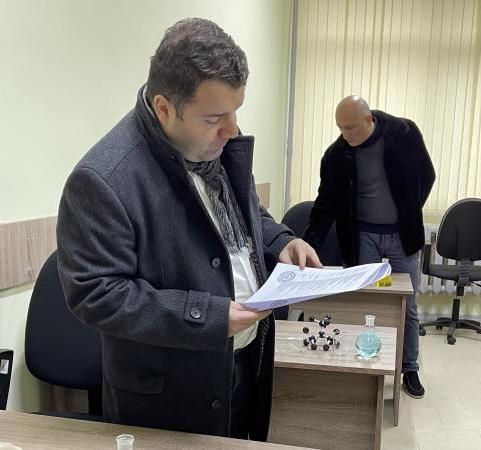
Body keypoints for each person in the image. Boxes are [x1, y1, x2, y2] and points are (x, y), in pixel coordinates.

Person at [56, 18, 320, 440]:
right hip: (169, 395)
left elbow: (247, 213)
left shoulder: (212, 143)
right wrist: (206, 316)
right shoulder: (103, 179)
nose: (231, 129)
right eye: (214, 117)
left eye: (236, 111)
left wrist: (282, 241)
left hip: (243, 363)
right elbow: (96, 294)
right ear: (164, 108)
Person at [304, 95, 435, 399]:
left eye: (350, 128)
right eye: (340, 128)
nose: (345, 134)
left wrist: (409, 210)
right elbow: (325, 204)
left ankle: (409, 367)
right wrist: (309, 244)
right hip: (362, 236)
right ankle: (364, 365)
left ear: (369, 120)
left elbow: (427, 174)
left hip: (402, 236)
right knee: (364, 302)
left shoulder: (403, 134)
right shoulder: (336, 155)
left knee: (407, 305)